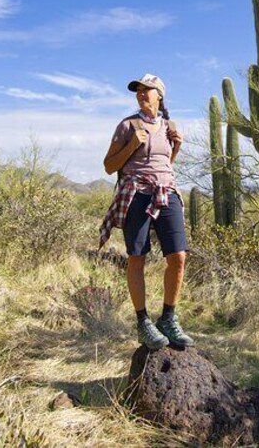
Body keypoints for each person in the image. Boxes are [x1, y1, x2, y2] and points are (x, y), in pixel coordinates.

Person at [99, 73, 194, 350]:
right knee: (137, 257)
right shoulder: (127, 126)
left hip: (166, 190)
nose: (141, 94)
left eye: (147, 90)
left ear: (159, 95)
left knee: (178, 256)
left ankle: (168, 318)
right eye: (138, 90)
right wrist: (132, 145)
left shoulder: (169, 126)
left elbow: (166, 162)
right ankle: (142, 323)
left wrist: (177, 146)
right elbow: (108, 166)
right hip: (136, 192)